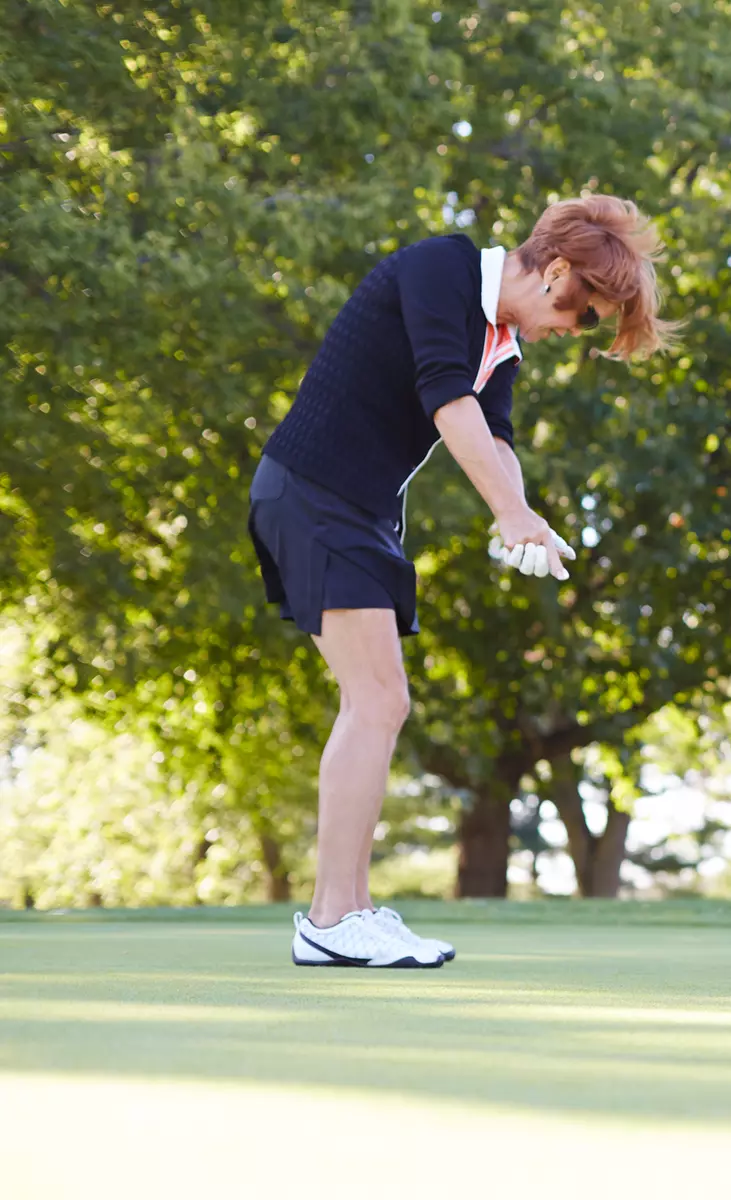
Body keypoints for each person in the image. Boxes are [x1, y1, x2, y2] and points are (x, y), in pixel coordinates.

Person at [250, 195, 670, 967]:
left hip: (358, 509)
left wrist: (529, 516)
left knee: (380, 701)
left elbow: (495, 436)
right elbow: (448, 402)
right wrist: (507, 516)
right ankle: (331, 919)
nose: (573, 334)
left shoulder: (501, 342)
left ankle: (347, 912)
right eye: (583, 317)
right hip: (312, 492)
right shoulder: (441, 267)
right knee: (377, 699)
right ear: (556, 272)